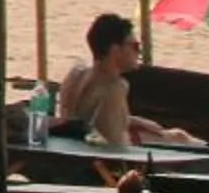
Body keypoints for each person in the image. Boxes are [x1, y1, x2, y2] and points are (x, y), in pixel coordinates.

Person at [59, 13, 190, 147]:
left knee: (177, 135)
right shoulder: (114, 87)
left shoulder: (76, 73)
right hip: (98, 155)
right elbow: (118, 146)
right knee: (180, 138)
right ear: (115, 50)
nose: (138, 52)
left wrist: (138, 122)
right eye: (135, 46)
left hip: (74, 144)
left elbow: (89, 118)